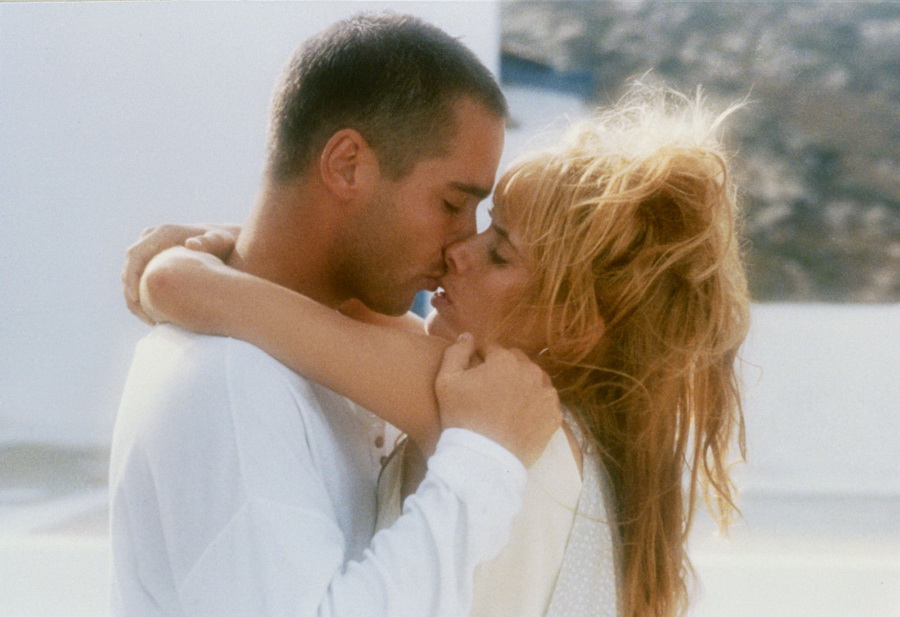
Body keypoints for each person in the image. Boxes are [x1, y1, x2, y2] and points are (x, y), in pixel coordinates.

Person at [125, 84, 751, 617]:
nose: (459, 251)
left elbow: (183, 289)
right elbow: (340, 303)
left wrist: (182, 259)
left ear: (573, 326)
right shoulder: (583, 445)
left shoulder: (486, 401)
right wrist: (231, 240)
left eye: (500, 252)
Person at [110, 12, 562, 617]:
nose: (463, 243)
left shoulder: (340, 352)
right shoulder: (230, 381)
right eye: (452, 203)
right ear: (347, 164)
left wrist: (196, 262)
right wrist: (481, 464)